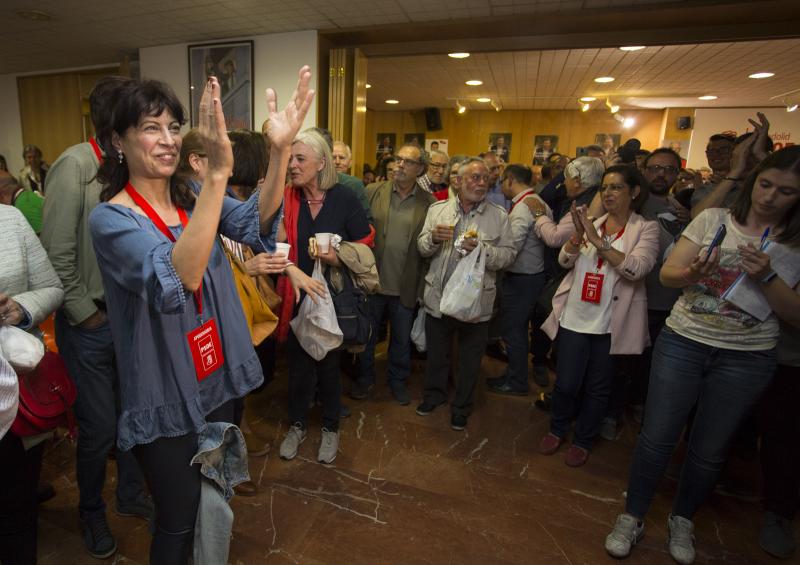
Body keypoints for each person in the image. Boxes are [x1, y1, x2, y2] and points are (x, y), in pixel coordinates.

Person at [89, 69, 313, 564]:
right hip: (165, 388)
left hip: (214, 374)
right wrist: (216, 174)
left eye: (173, 127)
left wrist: (278, 153)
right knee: (178, 515)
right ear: (116, 141)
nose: (168, 140)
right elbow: (181, 276)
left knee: (214, 498)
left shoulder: (191, 197)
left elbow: (254, 222)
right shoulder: (112, 218)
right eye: (151, 127)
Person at [605, 146, 800, 565]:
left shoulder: (794, 244)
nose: (769, 197)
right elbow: (668, 274)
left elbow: (795, 316)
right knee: (656, 437)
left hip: (746, 356)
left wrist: (765, 275)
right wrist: (691, 274)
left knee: (710, 447)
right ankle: (632, 514)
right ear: (752, 182)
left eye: (785, 191)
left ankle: (684, 517)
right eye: (764, 184)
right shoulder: (715, 220)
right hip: (685, 339)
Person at [41, 75, 153, 559]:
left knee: (134, 416)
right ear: (111, 123)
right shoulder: (75, 166)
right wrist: (86, 316)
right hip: (90, 324)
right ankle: (91, 511)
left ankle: (129, 496)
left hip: (130, 321)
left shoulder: (124, 166)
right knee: (100, 427)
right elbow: (57, 255)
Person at [538, 165, 658, 467]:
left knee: (598, 386)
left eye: (616, 187)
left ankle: (583, 439)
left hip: (609, 324)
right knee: (565, 383)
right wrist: (579, 236)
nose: (608, 193)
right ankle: (557, 427)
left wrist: (599, 241)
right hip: (575, 317)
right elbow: (565, 260)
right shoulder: (592, 223)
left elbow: (638, 269)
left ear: (634, 193)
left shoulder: (645, 229)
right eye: (605, 187)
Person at [275, 129, 371, 465]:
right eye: (291, 158)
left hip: (333, 296)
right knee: (299, 367)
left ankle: (330, 428)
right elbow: (275, 244)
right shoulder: (287, 196)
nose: (293, 165)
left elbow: (366, 242)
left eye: (300, 159)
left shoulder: (344, 197)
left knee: (330, 366)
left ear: (321, 163)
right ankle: (298, 425)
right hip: (297, 293)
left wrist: (337, 255)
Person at [416, 157, 515, 431]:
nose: (481, 183)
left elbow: (508, 257)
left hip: (475, 302)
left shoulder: (499, 216)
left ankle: (461, 407)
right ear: (457, 181)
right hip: (439, 296)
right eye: (474, 177)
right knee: (437, 355)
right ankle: (434, 396)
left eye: (485, 178)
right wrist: (433, 238)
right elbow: (422, 248)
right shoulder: (437, 210)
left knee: (470, 361)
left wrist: (482, 249)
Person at [0, 203, 64, 565]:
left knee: (17, 508)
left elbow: (52, 287)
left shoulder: (9, 219)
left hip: (17, 397)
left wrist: (19, 309)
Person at [354, 143, 435, 404]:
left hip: (405, 284)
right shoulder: (372, 191)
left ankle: (397, 381)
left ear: (420, 168)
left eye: (407, 162)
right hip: (372, 282)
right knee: (366, 337)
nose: (399, 165)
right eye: (398, 160)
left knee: (401, 340)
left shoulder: (429, 203)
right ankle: (365, 379)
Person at [486, 164, 549, 396]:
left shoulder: (524, 208)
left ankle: (517, 381)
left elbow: (511, 247)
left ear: (510, 180)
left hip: (522, 279)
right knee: (517, 330)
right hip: (530, 277)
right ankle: (515, 374)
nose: (501, 186)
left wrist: (487, 249)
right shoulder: (537, 202)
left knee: (514, 331)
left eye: (502, 181)